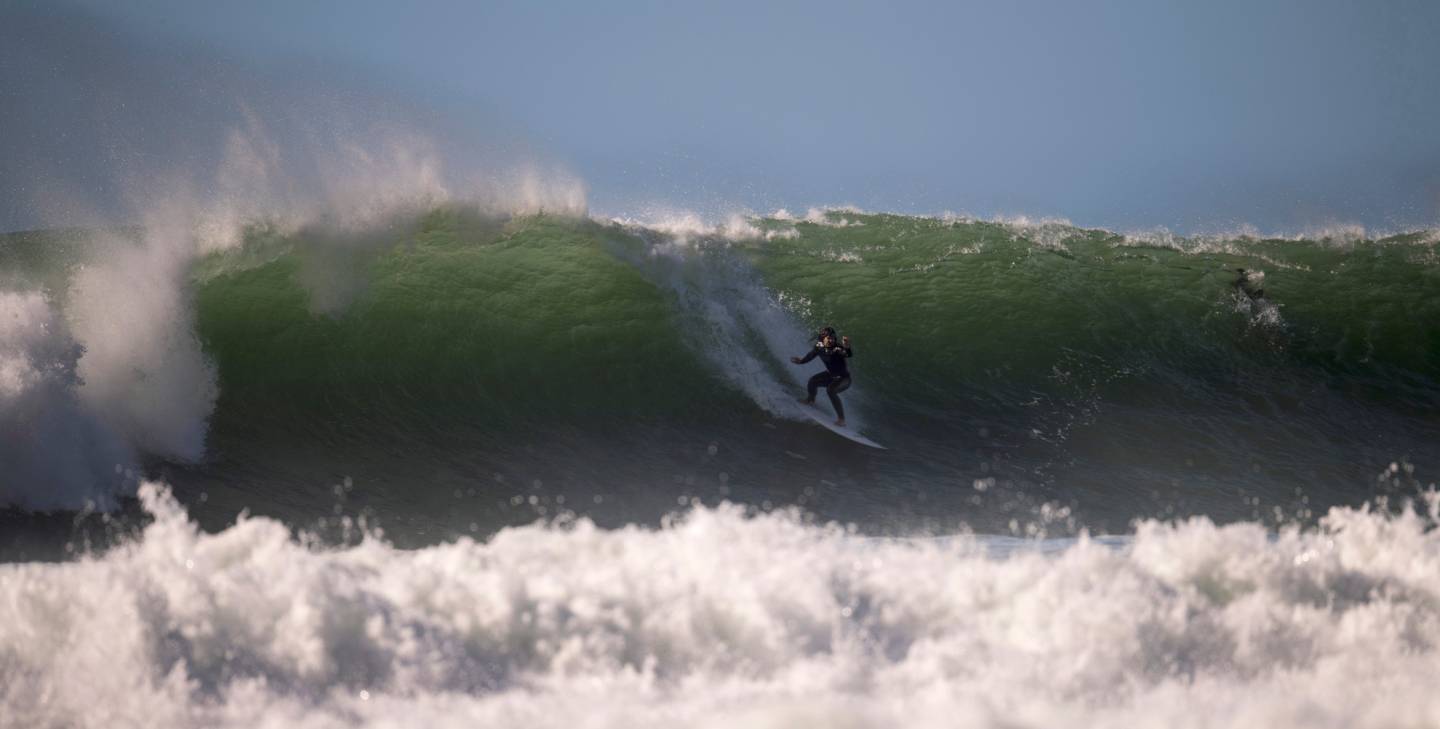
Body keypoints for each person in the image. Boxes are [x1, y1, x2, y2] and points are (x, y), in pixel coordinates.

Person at [791, 326, 853, 426]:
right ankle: (810, 400)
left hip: (844, 379)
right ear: (822, 338)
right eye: (829, 337)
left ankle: (841, 419)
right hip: (830, 375)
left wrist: (846, 346)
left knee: (831, 390)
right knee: (812, 381)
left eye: (833, 338)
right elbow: (811, 355)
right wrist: (801, 361)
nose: (831, 340)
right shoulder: (819, 347)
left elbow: (847, 354)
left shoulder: (837, 348)